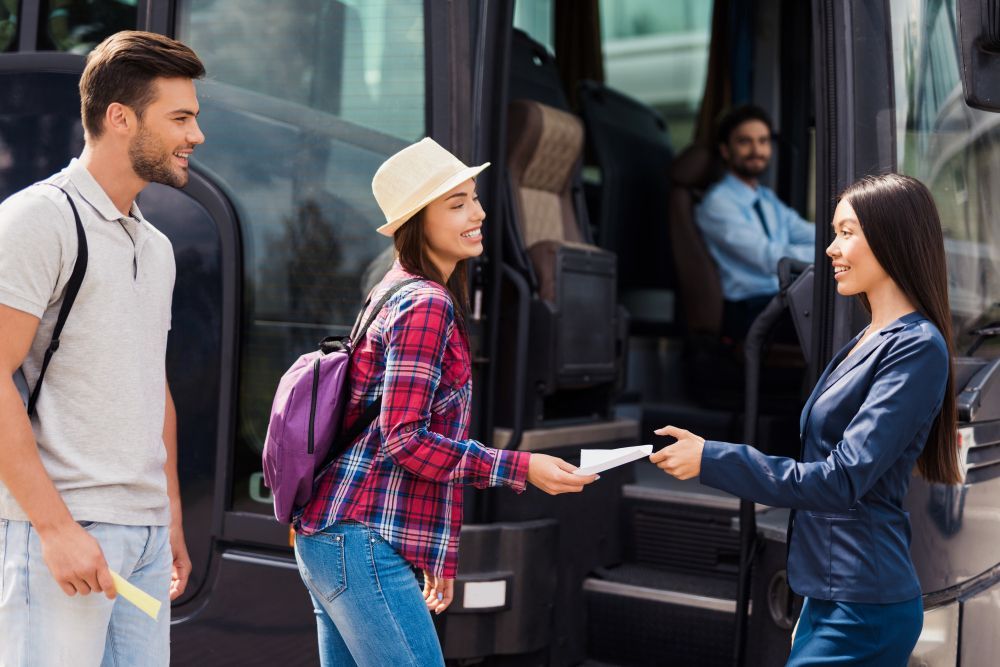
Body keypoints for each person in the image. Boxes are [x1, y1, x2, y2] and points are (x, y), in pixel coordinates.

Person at [294, 138, 598, 666]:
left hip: (337, 537)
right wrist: (521, 467)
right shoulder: (425, 303)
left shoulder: (396, 288)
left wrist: (432, 552)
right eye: (456, 204)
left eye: (474, 198)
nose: (477, 213)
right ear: (417, 222)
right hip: (359, 542)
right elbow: (406, 441)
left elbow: (412, 442)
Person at [652, 173, 961, 665]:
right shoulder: (869, 339)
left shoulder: (916, 348)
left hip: (863, 607)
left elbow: (841, 480)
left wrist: (712, 459)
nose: (831, 250)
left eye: (847, 233)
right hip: (829, 594)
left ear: (892, 237)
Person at [0, 31, 205, 665]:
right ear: (120, 118)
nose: (195, 136)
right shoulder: (40, 220)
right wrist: (56, 530)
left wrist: (167, 513)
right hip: (64, 531)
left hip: (141, 537)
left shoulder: (156, 246)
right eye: (180, 117)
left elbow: (152, 386)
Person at [696, 105, 815, 339]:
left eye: (763, 141)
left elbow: (806, 231)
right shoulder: (718, 203)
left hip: (776, 301)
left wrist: (849, 234)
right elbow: (769, 258)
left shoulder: (765, 198)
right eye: (744, 142)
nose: (756, 150)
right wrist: (833, 253)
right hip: (748, 309)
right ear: (725, 151)